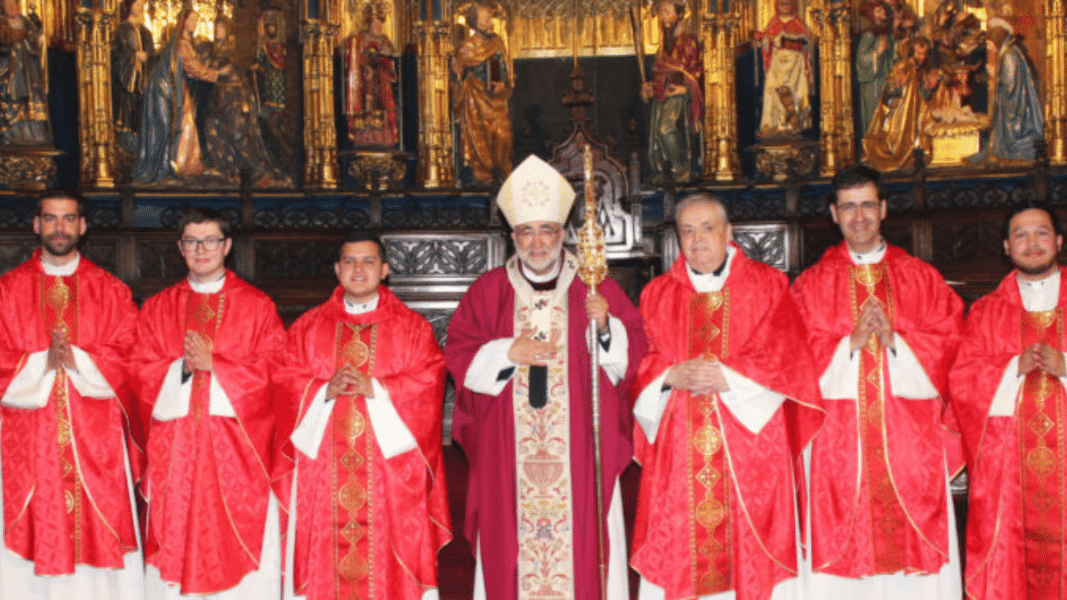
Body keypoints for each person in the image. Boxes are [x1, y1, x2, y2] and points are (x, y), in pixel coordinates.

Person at [445, 154, 646, 600]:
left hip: (581, 454)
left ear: (563, 234)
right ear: (513, 236)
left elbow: (630, 362)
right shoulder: (489, 290)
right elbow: (458, 353)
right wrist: (506, 352)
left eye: (547, 230)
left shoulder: (595, 288)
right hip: (508, 456)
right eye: (526, 231)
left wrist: (606, 326)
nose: (537, 242)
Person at [631, 193, 823, 600]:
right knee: (681, 545)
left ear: (729, 232)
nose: (698, 239)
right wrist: (670, 376)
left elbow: (787, 356)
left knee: (753, 548)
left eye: (707, 228)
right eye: (687, 230)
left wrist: (729, 377)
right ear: (676, 238)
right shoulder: (658, 294)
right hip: (681, 448)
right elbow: (648, 363)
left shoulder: (769, 284)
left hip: (752, 445)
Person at [790, 165, 964, 599]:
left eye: (868, 204)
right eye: (848, 206)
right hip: (838, 450)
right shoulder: (810, 285)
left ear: (884, 209)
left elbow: (952, 346)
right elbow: (790, 360)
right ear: (833, 214)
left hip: (911, 446)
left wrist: (897, 342)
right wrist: (848, 344)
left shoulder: (921, 277)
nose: (859, 215)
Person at [273, 231, 451, 600]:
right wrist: (323, 389)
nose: (359, 269)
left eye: (368, 261)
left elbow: (431, 380)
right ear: (337, 269)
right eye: (350, 261)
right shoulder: (307, 327)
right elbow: (283, 379)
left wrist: (379, 389)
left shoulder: (412, 328)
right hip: (322, 471)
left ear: (385, 270)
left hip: (390, 471)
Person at [131, 208, 286, 599]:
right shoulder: (159, 307)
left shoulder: (257, 306)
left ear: (227, 246)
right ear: (180, 248)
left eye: (211, 240)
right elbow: (139, 371)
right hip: (175, 450)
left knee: (233, 535)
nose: (202, 250)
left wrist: (216, 365)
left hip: (238, 452)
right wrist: (181, 370)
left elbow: (277, 372)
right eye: (192, 242)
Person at [0, 189, 143, 598]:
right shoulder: (8, 291)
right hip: (28, 438)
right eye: (50, 218)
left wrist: (78, 360)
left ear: (82, 226)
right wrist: (38, 365)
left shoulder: (111, 290)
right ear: (36, 225)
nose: (59, 228)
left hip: (95, 438)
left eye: (68, 219)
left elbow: (131, 357)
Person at [950, 205, 1067, 599]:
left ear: (1059, 241)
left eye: (1041, 233)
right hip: (1008, 478)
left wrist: (1065, 367)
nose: (1032, 243)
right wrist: (1010, 369)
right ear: (1005, 246)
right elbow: (962, 383)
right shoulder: (985, 313)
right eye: (1021, 234)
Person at [132, 8, 233, 184]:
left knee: (187, 123)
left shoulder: (187, 43)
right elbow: (193, 67)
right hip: (167, 88)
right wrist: (217, 73)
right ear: (184, 21)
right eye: (192, 20)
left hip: (179, 87)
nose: (194, 24)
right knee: (183, 124)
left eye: (196, 21)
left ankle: (184, 164)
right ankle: (178, 164)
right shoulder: (180, 44)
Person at [200, 16, 286, 188]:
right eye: (216, 27)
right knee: (211, 126)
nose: (218, 31)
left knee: (238, 133)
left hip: (236, 96)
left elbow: (231, 67)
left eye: (222, 28)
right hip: (219, 95)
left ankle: (253, 170)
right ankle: (226, 168)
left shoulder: (233, 49)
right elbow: (208, 67)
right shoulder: (211, 49)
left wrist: (214, 68)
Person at [643, 0, 703, 184]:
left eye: (668, 12)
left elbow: (695, 73)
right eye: (662, 13)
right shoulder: (664, 46)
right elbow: (660, 74)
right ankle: (664, 171)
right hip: (663, 97)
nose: (664, 18)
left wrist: (684, 89)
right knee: (656, 138)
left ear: (679, 15)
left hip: (678, 98)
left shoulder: (689, 42)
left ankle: (682, 169)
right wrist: (650, 87)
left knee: (666, 130)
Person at [451, 2, 512, 184]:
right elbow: (456, 84)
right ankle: (483, 177)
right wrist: (458, 76)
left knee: (503, 134)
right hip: (475, 102)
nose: (490, 24)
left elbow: (507, 76)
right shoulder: (465, 49)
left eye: (491, 19)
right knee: (478, 138)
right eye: (485, 20)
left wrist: (503, 87)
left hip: (497, 102)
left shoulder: (498, 42)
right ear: (474, 24)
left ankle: (503, 173)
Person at [970, 18, 1043, 165]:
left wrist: (994, 80)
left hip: (1013, 104)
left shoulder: (1010, 54)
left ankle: (1009, 150)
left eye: (992, 42)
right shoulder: (1009, 52)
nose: (992, 47)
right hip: (1009, 100)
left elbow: (1010, 85)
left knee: (1009, 130)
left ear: (999, 38)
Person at [862, 36, 941, 171]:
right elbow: (887, 90)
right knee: (897, 146)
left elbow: (922, 96)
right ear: (912, 52)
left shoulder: (921, 71)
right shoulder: (902, 66)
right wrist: (897, 86)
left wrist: (929, 88)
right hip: (900, 114)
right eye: (919, 53)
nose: (922, 57)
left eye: (925, 54)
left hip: (915, 115)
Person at [344, 3, 399, 148]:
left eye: (380, 25)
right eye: (376, 25)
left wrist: (384, 56)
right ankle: (364, 136)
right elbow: (354, 58)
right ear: (369, 24)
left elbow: (394, 54)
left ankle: (383, 136)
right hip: (365, 78)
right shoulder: (361, 38)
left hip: (381, 78)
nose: (378, 28)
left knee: (383, 104)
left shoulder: (385, 40)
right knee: (366, 105)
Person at [756, 0, 813, 137]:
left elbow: (807, 43)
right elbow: (766, 44)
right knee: (773, 92)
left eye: (788, 4)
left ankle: (795, 125)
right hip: (777, 65)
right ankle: (774, 125)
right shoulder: (773, 23)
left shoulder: (798, 23)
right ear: (777, 6)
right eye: (782, 4)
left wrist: (796, 42)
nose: (785, 7)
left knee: (795, 92)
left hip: (795, 66)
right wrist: (766, 41)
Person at [0, 0, 50, 146]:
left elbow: (36, 42)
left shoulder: (26, 22)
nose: (12, 8)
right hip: (8, 66)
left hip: (27, 70)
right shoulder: (2, 23)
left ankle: (30, 134)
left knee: (30, 99)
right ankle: (9, 132)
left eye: (14, 5)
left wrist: (37, 29)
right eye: (8, 5)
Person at [113, 0, 155, 161]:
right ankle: (126, 151)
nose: (139, 7)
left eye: (141, 4)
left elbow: (151, 53)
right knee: (126, 112)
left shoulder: (145, 31)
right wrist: (133, 56)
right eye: (136, 4)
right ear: (129, 6)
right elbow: (119, 53)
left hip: (142, 80)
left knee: (141, 113)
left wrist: (147, 56)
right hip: (128, 79)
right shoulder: (122, 28)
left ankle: (142, 151)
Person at [856, 1, 895, 133]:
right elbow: (861, 61)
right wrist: (877, 52)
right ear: (872, 14)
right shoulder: (869, 35)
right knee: (875, 115)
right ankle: (872, 147)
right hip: (873, 83)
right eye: (878, 11)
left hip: (886, 79)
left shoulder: (888, 34)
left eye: (883, 11)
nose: (882, 13)